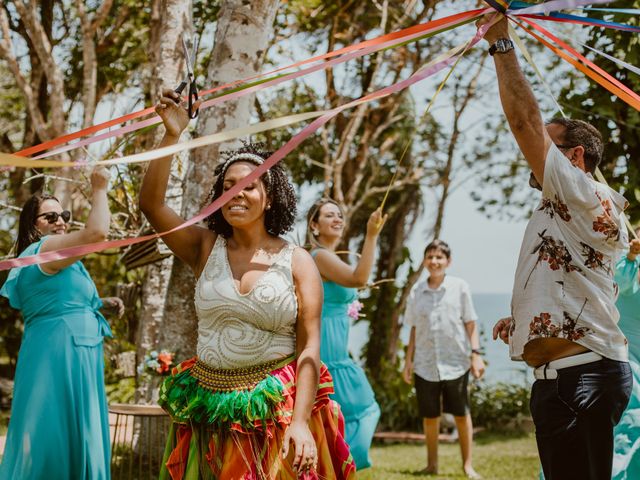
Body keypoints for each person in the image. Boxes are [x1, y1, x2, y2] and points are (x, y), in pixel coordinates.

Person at [140, 90, 355, 479]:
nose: (236, 192)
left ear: (270, 197)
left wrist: (301, 421)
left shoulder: (299, 260)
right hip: (209, 405)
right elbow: (152, 205)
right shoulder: (203, 247)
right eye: (228, 185)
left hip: (276, 409)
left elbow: (310, 346)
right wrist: (171, 135)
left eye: (250, 184)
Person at [481, 15, 632, 480]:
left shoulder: (586, 194)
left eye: (548, 145)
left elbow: (524, 120)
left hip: (586, 375)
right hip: (555, 381)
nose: (531, 152)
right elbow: (574, 278)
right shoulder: (561, 209)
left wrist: (501, 41)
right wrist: (525, 317)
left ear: (573, 158)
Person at [0, 166, 118, 480]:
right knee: (55, 438)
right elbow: (96, 234)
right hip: (60, 355)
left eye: (62, 214)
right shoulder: (44, 249)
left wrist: (102, 304)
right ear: (33, 226)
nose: (60, 221)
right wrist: (100, 188)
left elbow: (57, 301)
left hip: (67, 349)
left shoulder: (52, 258)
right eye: (50, 217)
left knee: (62, 432)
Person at [306, 198, 386, 470]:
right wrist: (372, 235)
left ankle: (332, 466)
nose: (338, 219)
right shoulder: (319, 256)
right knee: (363, 410)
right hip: (327, 351)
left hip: (336, 350)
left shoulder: (327, 257)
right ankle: (336, 465)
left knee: (337, 420)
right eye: (329, 216)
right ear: (314, 225)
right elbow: (358, 279)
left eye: (339, 215)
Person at [402, 240, 485, 479]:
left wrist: (476, 355)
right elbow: (414, 328)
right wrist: (408, 362)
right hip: (425, 364)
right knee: (430, 416)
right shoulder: (417, 291)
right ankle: (431, 465)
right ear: (425, 261)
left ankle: (467, 466)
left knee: (461, 413)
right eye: (430, 257)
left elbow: (470, 322)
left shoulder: (460, 287)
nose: (434, 261)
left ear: (448, 261)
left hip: (456, 362)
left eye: (439, 257)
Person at [612, 232, 640, 479]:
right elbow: (621, 280)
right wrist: (631, 255)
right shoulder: (628, 271)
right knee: (628, 429)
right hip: (628, 367)